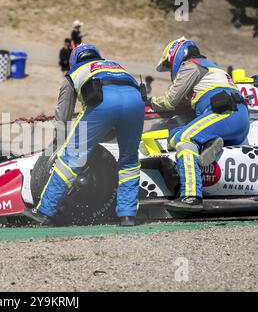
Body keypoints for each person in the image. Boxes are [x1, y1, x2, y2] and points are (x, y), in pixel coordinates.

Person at [25, 44, 145, 226]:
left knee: (71, 159)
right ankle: (127, 216)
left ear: (74, 60)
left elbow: (63, 112)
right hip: (136, 103)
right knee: (129, 160)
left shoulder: (74, 73)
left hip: (105, 104)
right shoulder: (116, 66)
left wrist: (60, 138)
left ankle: (44, 212)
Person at [150, 37, 249, 210]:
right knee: (180, 131)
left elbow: (170, 101)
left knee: (184, 138)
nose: (170, 72)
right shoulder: (211, 67)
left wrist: (149, 101)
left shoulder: (190, 66)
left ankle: (191, 196)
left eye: (169, 66)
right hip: (239, 120)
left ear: (176, 56)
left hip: (223, 114)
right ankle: (210, 144)